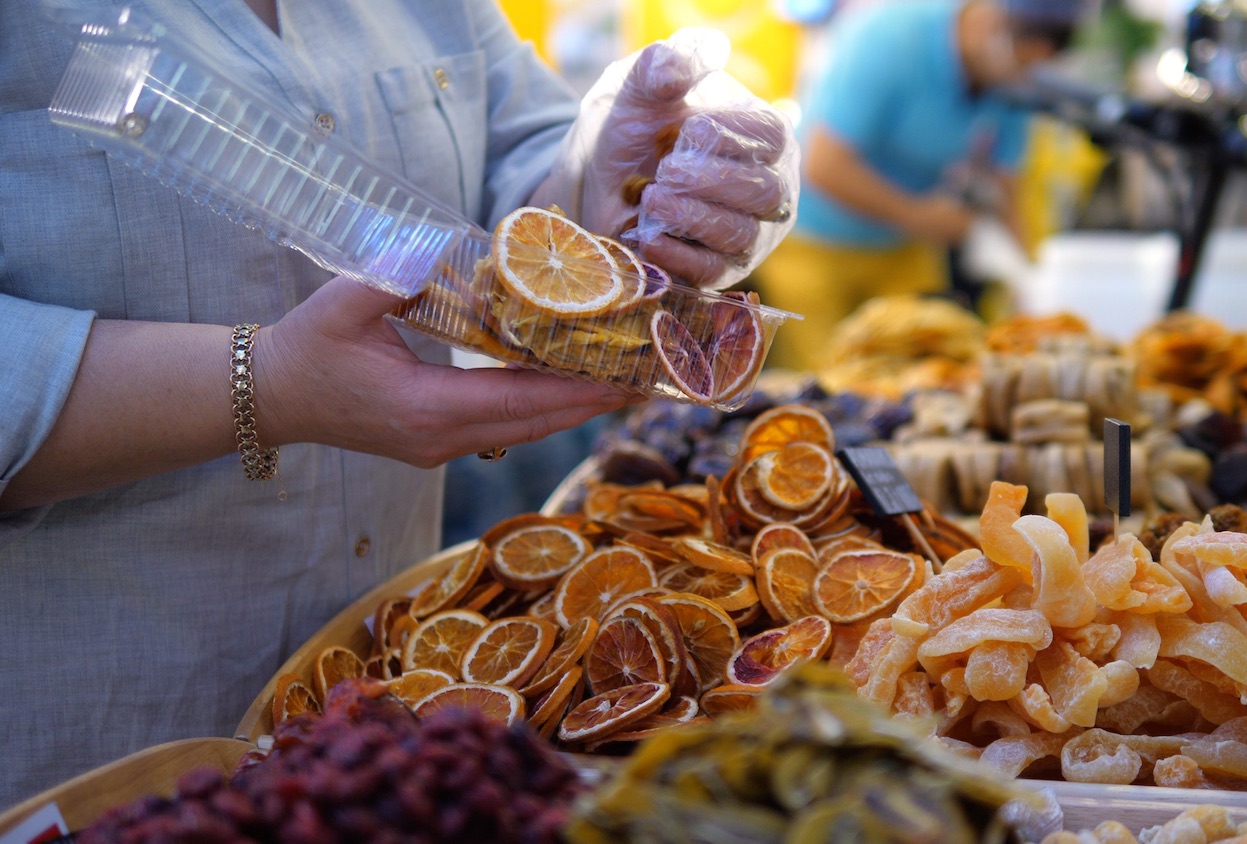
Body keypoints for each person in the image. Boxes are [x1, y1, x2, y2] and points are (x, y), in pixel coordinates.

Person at [0, 0, 793, 804]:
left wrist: (622, 183)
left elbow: (522, 160)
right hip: (87, 757)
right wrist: (267, 383)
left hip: (389, 718)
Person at [753, 0, 1085, 370]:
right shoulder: (890, 38)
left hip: (904, 246)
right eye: (1021, 62)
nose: (1022, 75)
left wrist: (1029, 279)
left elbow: (1007, 182)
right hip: (814, 240)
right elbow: (824, 165)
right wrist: (919, 216)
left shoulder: (1012, 74)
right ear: (988, 22)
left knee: (933, 371)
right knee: (826, 382)